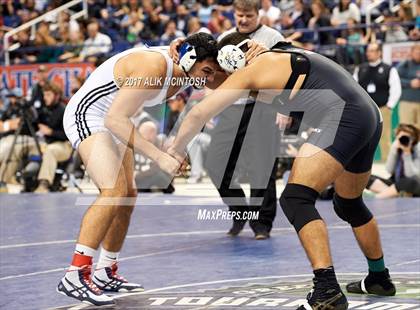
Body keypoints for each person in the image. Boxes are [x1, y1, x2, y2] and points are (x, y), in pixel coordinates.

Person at [164, 32, 396, 309]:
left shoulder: (251, 70)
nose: (205, 82)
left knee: (296, 198)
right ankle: (379, 278)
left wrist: (175, 150)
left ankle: (326, 291)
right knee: (349, 204)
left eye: (207, 73)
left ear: (228, 60)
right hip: (367, 116)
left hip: (345, 115)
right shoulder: (270, 58)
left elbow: (198, 113)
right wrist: (178, 44)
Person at [57, 33, 221, 306]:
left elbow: (226, 54)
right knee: (113, 192)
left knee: (128, 195)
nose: (208, 79)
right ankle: (75, 274)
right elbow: (115, 119)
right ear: (190, 58)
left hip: (116, 119)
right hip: (90, 114)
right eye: (206, 71)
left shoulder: (190, 68)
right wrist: (160, 157)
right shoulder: (154, 67)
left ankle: (105, 271)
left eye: (211, 73)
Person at [171, 0, 285, 240]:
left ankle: (262, 224)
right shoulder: (224, 37)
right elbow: (209, 68)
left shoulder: (272, 37)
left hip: (263, 106)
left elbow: (286, 71)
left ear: (258, 14)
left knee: (261, 167)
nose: (243, 20)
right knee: (215, 163)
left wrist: (284, 108)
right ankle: (240, 211)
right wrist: (178, 44)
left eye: (248, 16)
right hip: (231, 107)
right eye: (239, 15)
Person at [353, 43, 401, 160]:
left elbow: (396, 88)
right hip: (365, 110)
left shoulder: (388, 69)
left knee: (384, 137)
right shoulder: (360, 68)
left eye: (372, 51)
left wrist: (390, 106)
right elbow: (353, 87)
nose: (368, 53)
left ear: (379, 53)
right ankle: (362, 166)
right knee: (363, 137)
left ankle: (387, 164)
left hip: (383, 108)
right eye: (368, 51)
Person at [34, 84, 73, 193]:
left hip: (63, 145)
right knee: (23, 145)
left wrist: (51, 132)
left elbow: (69, 135)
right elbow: (34, 126)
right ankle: (11, 181)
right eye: (44, 95)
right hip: (45, 144)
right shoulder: (43, 110)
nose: (45, 97)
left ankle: (44, 184)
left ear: (56, 96)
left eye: (48, 95)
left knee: (50, 151)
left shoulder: (64, 110)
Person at [367, 124, 420, 198]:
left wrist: (407, 153)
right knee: (366, 178)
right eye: (401, 137)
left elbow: (411, 175)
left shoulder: (417, 148)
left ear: (413, 139)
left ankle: (381, 196)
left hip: (413, 185)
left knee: (412, 181)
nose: (404, 140)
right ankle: (397, 194)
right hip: (396, 183)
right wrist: (394, 150)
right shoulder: (396, 146)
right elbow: (389, 170)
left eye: (407, 138)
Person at [397, 44, 420, 129]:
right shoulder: (405, 65)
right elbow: (395, 80)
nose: (418, 54)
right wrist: (410, 83)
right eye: (416, 52)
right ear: (411, 52)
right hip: (407, 102)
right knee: (406, 129)